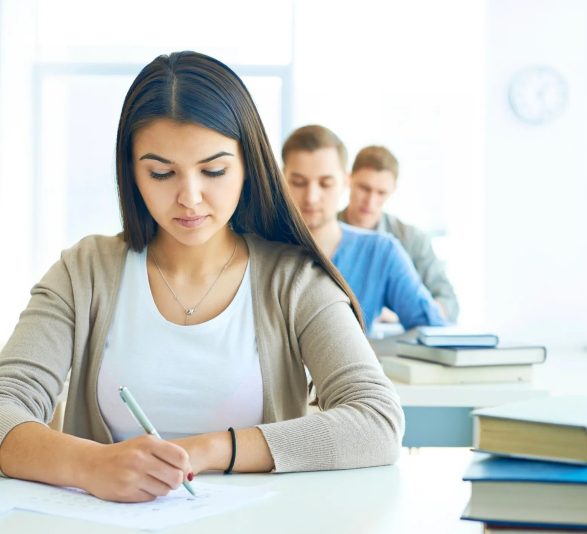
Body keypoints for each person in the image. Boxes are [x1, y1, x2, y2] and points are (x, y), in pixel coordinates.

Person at [0, 51, 403, 503]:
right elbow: (4, 404)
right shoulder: (85, 271)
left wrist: (209, 449)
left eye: (213, 170)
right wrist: (90, 464)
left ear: (249, 165)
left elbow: (377, 420)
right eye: (161, 173)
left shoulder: (294, 280)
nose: (189, 197)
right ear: (131, 173)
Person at [281, 125, 447, 335]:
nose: (311, 197)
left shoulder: (382, 252)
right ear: (281, 180)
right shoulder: (257, 250)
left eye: (326, 183)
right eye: (298, 182)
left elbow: (434, 331)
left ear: (345, 182)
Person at [339, 146, 460, 321]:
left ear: (393, 189)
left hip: (396, 341)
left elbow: (448, 302)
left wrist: (401, 314)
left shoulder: (412, 239)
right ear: (349, 180)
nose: (371, 201)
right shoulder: (326, 232)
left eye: (381, 193)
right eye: (364, 188)